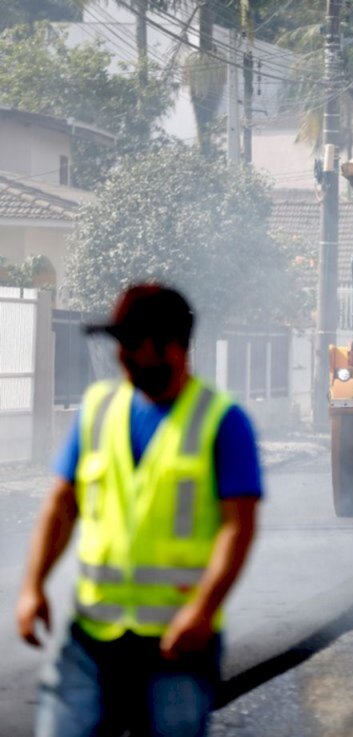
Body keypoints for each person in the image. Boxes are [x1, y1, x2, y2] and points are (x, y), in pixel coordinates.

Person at [16, 283, 262, 737]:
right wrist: (33, 586)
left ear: (170, 347)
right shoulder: (98, 409)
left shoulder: (221, 421)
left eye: (132, 345)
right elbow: (62, 504)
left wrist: (203, 610)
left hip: (176, 645)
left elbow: (237, 527)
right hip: (92, 639)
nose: (121, 357)